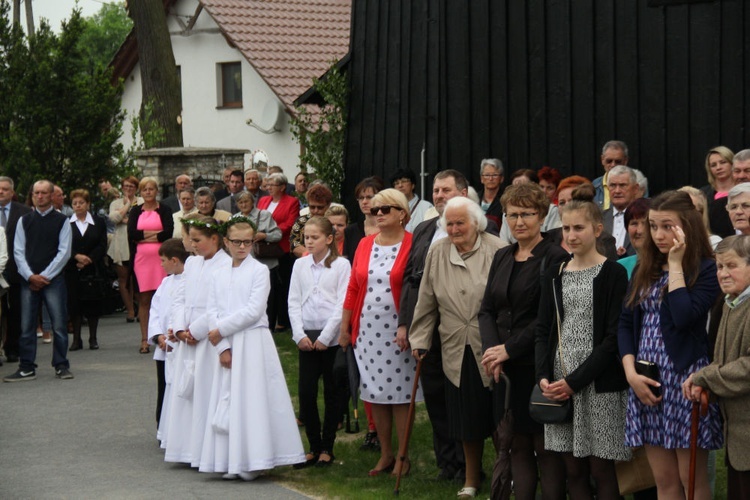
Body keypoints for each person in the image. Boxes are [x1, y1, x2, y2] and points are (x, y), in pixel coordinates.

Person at [619, 190, 723, 499]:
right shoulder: (644, 268)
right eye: (653, 226)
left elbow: (683, 317)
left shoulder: (705, 269)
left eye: (667, 226)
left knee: (690, 479)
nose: (658, 234)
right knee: (663, 480)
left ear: (687, 226)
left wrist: (675, 265)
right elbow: (625, 324)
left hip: (685, 379)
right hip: (646, 380)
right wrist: (630, 374)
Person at [399, 169, 494, 481]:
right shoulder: (426, 230)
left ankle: (473, 467)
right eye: (436, 191)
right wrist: (411, 329)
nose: (439, 195)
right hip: (434, 330)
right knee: (439, 400)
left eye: (446, 190)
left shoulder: (487, 232)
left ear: (464, 193)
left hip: (472, 331)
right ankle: (448, 463)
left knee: (470, 400)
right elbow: (415, 282)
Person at [535, 194, 631, 499]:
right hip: (558, 382)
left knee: (601, 469)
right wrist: (543, 378)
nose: (572, 235)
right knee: (572, 469)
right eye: (566, 229)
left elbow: (613, 337)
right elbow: (543, 330)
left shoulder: (613, 274)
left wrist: (575, 382)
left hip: (597, 384)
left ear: (597, 229)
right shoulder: (555, 274)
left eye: (579, 228)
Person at [409, 196, 505, 498]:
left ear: (476, 223)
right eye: (448, 223)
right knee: (466, 418)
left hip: (492, 344)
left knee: (501, 418)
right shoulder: (437, 251)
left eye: (459, 222)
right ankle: (471, 479)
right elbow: (426, 299)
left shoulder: (497, 249)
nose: (453, 229)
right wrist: (420, 339)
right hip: (455, 345)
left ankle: (508, 475)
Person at [479, 183, 568, 500]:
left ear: (542, 215)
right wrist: (494, 354)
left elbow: (551, 317)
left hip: (538, 365)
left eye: (526, 214)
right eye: (512, 215)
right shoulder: (503, 255)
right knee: (515, 444)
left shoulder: (556, 257)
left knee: (545, 448)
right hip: (504, 371)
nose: (519, 222)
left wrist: (509, 349)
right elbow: (487, 309)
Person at [199, 217, 305, 479]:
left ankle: (254, 459)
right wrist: (222, 345)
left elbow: (254, 310)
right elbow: (211, 309)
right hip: (225, 341)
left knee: (252, 397)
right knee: (227, 396)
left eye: (248, 241)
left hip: (252, 341)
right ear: (226, 242)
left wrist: (220, 330)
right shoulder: (217, 274)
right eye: (237, 242)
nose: (243, 246)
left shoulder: (259, 271)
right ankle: (227, 459)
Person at [339, 188, 419, 477]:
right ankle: (385, 454)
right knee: (374, 392)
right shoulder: (364, 244)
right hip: (367, 329)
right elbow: (353, 286)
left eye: (386, 209)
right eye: (376, 210)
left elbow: (415, 287)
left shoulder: (413, 244)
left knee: (399, 395)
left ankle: (402, 456)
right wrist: (345, 326)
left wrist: (408, 326)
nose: (380, 214)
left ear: (402, 214)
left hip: (398, 331)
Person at [683, 235, 750, 498]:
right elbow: (724, 360)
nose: (723, 273)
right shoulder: (731, 303)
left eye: (731, 266)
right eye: (720, 267)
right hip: (739, 438)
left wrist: (706, 377)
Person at [163, 216, 231, 465]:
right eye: (190, 239)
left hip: (207, 336)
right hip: (187, 337)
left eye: (197, 240)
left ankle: (207, 450)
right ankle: (187, 448)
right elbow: (180, 297)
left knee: (206, 392)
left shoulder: (225, 264)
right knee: (187, 393)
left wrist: (196, 330)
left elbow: (219, 303)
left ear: (214, 239)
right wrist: (180, 328)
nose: (191, 245)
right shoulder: (191, 263)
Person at [289, 216, 351, 468]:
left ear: (329, 238)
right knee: (306, 392)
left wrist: (327, 336)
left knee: (333, 392)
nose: (309, 242)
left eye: (315, 238)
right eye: (306, 237)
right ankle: (312, 446)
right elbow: (293, 301)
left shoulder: (341, 265)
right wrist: (299, 334)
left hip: (331, 338)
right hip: (307, 336)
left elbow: (342, 303)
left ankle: (327, 446)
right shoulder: (300, 266)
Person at [4, 180, 72, 382]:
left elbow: (64, 252)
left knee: (59, 325)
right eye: (36, 193)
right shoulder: (24, 221)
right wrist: (30, 276)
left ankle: (61, 365)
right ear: (32, 195)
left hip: (54, 280)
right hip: (29, 280)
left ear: (52, 196)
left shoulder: (62, 221)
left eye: (44, 193)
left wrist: (46, 276)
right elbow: (17, 251)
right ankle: (26, 367)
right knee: (26, 326)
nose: (40, 196)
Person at [127, 177, 174, 354]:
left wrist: (144, 235)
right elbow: (132, 233)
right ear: (140, 192)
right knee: (144, 300)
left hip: (162, 259)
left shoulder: (165, 209)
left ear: (156, 191)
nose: (148, 192)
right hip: (141, 261)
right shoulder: (135, 211)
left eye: (151, 189)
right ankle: (144, 339)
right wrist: (155, 234)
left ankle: (165, 336)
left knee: (163, 298)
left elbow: (167, 233)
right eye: (144, 189)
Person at [148, 238, 188, 442]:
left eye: (163, 260)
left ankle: (179, 431)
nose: (161, 264)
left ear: (174, 260)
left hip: (180, 344)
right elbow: (155, 311)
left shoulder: (191, 280)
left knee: (181, 387)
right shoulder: (165, 282)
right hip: (164, 346)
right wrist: (158, 336)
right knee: (163, 388)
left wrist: (173, 335)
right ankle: (162, 428)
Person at [257, 172, 300, 331]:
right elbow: (257, 218)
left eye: (272, 185)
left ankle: (282, 320)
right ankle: (267, 318)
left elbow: (290, 224)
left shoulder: (292, 202)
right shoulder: (263, 200)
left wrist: (269, 233)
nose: (268, 188)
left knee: (282, 286)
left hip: (281, 248)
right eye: (267, 185)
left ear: (282, 187)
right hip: (263, 249)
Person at [65, 189, 108, 351]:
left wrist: (88, 259)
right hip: (73, 268)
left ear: (88, 204)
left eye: (81, 203)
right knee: (74, 304)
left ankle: (93, 338)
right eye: (75, 203)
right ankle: (76, 339)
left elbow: (102, 245)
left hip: (93, 268)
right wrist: (76, 257)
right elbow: (64, 245)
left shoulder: (98, 222)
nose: (78, 206)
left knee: (93, 303)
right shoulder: (67, 223)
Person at [0, 176, 32, 364]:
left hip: (16, 270)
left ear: (12, 193)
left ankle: (12, 348)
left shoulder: (25, 212)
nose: (1, 192)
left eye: (5, 189)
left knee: (15, 311)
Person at [108, 176, 141, 323]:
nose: (128, 189)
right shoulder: (115, 203)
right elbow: (114, 219)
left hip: (137, 244)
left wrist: (125, 219)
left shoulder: (141, 202)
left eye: (131, 186)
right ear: (122, 187)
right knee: (123, 278)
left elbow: (141, 221)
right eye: (126, 186)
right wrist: (127, 205)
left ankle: (141, 308)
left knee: (138, 279)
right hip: (120, 244)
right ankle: (130, 310)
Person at [343, 176, 384, 264]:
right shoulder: (350, 231)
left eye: (369, 197)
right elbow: (347, 262)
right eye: (361, 198)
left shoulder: (389, 229)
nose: (364, 202)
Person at [603, 165, 641, 257]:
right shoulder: (599, 218)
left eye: (622, 185)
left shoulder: (645, 217)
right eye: (612, 185)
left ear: (635, 189)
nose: (617, 191)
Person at [290, 183, 334, 258]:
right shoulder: (301, 221)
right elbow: (294, 244)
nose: (316, 211)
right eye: (312, 207)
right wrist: (313, 255)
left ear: (328, 205)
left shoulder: (334, 222)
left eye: (320, 207)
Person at [616, 198, 651, 279]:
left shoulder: (668, 266)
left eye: (645, 223)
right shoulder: (619, 267)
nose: (639, 231)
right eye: (634, 223)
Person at [592, 140, 629, 209]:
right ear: (602, 160)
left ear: (625, 161)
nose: (613, 165)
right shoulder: (594, 186)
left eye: (618, 161)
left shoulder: (636, 184)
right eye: (609, 161)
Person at [478, 158, 505, 227]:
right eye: (487, 175)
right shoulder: (475, 198)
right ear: (481, 179)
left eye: (495, 175)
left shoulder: (506, 199)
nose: (490, 179)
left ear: (501, 178)